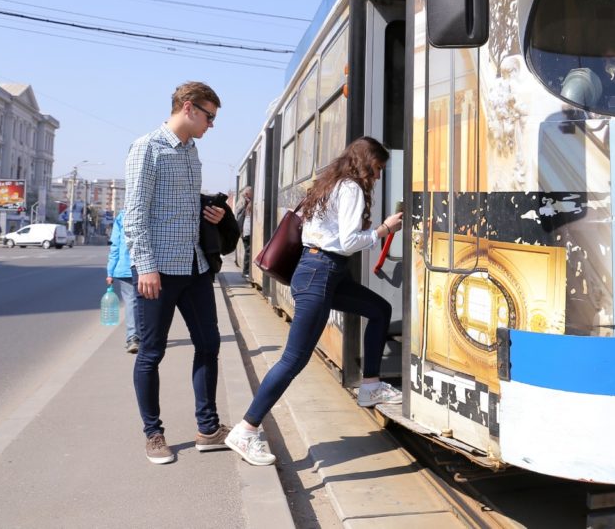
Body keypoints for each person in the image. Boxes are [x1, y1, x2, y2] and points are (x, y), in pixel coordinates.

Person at [224, 136, 405, 466]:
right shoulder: (349, 188)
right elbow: (349, 241)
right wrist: (383, 229)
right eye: (377, 169)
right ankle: (247, 429)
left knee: (379, 309)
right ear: (366, 164)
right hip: (320, 272)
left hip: (324, 272)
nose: (378, 177)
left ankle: (370, 386)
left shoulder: (330, 184)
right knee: (294, 359)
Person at [124, 81, 230, 465]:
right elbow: (134, 213)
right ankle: (153, 434)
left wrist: (212, 213)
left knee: (209, 345)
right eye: (209, 116)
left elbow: (181, 207)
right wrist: (146, 266)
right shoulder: (147, 148)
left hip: (195, 265)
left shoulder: (192, 151)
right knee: (151, 352)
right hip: (159, 270)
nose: (211, 125)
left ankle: (208, 429)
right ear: (188, 108)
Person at [106, 209, 139, 353]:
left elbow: (115, 245)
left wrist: (110, 271)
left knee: (131, 303)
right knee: (149, 303)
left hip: (125, 267)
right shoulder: (155, 210)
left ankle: (133, 338)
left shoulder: (122, 215)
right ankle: (146, 336)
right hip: (150, 268)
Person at [236, 187, 253, 278]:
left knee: (248, 250)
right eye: (251, 192)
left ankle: (246, 271)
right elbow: (239, 217)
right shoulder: (244, 203)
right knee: (248, 251)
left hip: (246, 230)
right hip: (246, 231)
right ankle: (246, 271)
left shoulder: (246, 202)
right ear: (247, 194)